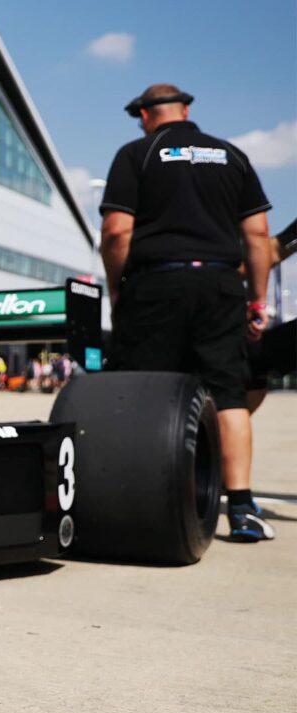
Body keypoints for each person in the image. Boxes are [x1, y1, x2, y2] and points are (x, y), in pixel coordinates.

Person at [98, 83, 274, 542]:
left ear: (145, 115)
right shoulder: (231, 155)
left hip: (155, 283)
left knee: (140, 390)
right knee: (229, 393)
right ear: (186, 110)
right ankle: (242, 510)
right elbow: (258, 236)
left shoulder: (137, 153)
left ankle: (136, 503)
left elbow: (116, 233)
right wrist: (257, 300)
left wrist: (117, 290)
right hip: (219, 284)